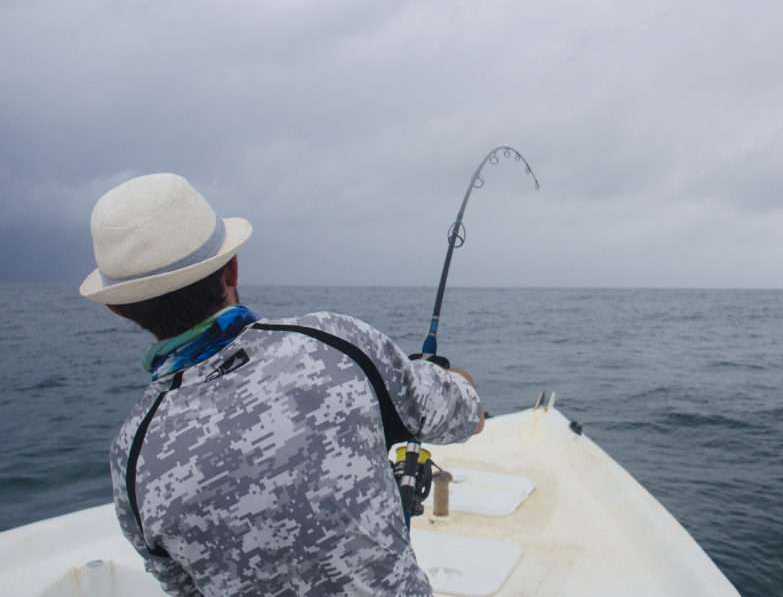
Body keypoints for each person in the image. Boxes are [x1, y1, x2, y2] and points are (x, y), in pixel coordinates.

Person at [80, 173, 484, 596]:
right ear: (231, 267)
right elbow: (467, 416)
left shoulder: (132, 455)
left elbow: (183, 587)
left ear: (118, 309)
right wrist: (445, 377)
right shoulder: (337, 342)